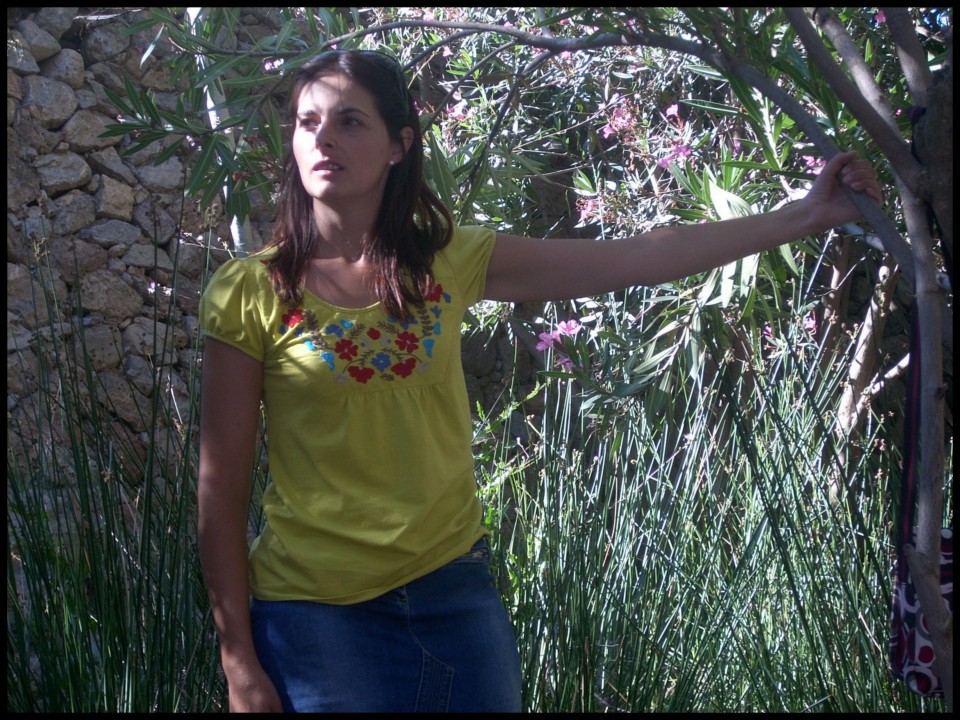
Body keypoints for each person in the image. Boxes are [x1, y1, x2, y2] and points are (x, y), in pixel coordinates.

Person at [196, 49, 882, 713]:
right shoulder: (250, 291)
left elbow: (636, 258)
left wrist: (805, 215)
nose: (324, 139)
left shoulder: (447, 262)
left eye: (350, 121)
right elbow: (220, 490)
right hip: (317, 617)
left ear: (400, 145)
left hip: (453, 594)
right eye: (308, 122)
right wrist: (238, 660)